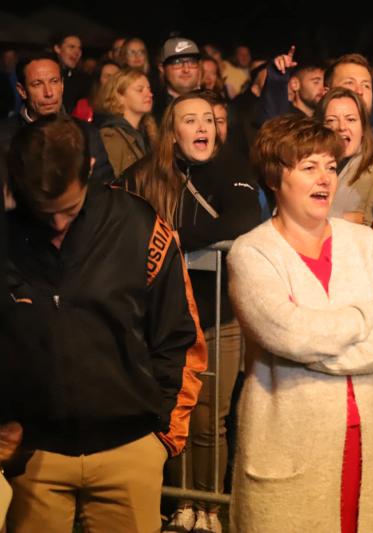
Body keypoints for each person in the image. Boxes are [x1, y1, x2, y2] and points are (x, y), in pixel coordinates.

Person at [2, 114, 206, 533]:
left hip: (130, 448)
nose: (57, 225)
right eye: (44, 213)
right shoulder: (6, 236)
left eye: (68, 209)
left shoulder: (139, 226)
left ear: (91, 170)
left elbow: (179, 337)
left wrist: (162, 437)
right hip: (31, 453)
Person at [226, 114, 373, 533]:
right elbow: (292, 335)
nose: (325, 178)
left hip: (367, 444)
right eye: (308, 166)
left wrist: (320, 348)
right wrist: (364, 315)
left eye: (330, 166)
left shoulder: (365, 243)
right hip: (293, 448)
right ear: (274, 178)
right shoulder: (252, 252)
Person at [121, 91, 260, 533]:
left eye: (208, 120)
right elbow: (115, 211)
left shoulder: (232, 168)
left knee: (210, 421)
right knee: (176, 415)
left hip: (219, 317)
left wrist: (176, 237)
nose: (202, 127)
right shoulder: (147, 173)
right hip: (168, 321)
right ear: (172, 131)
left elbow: (241, 222)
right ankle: (183, 504)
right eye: (190, 120)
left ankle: (211, 508)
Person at [0, 51, 114, 184]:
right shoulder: (4, 136)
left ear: (62, 85)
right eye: (37, 84)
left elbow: (105, 186)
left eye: (54, 82)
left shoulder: (87, 134)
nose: (49, 93)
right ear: (22, 91)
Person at [316, 87, 373, 226]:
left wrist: (319, 216)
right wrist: (350, 217)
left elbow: (372, 223)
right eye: (331, 120)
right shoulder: (308, 168)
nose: (341, 127)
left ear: (363, 127)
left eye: (350, 119)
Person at [95, 67, 156, 178]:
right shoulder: (110, 136)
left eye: (149, 89)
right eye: (140, 90)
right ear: (120, 96)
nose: (150, 94)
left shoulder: (149, 131)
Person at [153, 37, 201, 120]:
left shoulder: (214, 102)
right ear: (162, 68)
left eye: (192, 62)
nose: (186, 69)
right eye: (177, 62)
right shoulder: (152, 107)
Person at [69, 58, 120, 122]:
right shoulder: (84, 106)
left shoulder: (126, 106)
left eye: (116, 77)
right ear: (98, 80)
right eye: (108, 76)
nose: (112, 80)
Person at [52, 33, 90, 113]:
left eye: (79, 48)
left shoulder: (83, 80)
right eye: (71, 47)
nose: (77, 52)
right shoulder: (46, 74)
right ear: (57, 48)